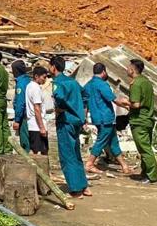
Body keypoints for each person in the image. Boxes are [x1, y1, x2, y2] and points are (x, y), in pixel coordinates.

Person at [50, 55, 91, 197]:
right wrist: (82, 109)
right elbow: (86, 94)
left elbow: (59, 97)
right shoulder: (72, 82)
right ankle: (84, 185)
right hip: (76, 120)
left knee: (67, 155)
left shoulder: (58, 82)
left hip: (65, 120)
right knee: (76, 153)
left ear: (53, 67)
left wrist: (61, 108)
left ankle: (75, 189)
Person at [84, 63, 134, 175]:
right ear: (103, 72)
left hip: (97, 118)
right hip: (105, 118)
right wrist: (129, 105)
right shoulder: (102, 85)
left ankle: (124, 166)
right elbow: (115, 99)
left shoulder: (88, 85)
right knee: (101, 141)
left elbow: (85, 104)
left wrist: (84, 119)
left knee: (114, 142)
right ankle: (89, 164)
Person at [117, 59, 157, 184]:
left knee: (144, 149)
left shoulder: (136, 84)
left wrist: (125, 101)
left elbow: (136, 104)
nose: (126, 69)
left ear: (133, 69)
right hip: (148, 119)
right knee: (146, 147)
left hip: (139, 120)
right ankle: (145, 172)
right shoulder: (146, 82)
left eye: (128, 67)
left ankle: (151, 176)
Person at [25, 66, 50, 155]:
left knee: (36, 151)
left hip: (33, 124)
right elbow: (37, 108)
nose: (45, 79)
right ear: (36, 76)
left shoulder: (29, 86)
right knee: (42, 152)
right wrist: (42, 127)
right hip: (36, 126)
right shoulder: (35, 88)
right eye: (43, 77)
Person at [12, 60, 32, 152]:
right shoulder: (28, 80)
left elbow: (20, 103)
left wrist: (17, 120)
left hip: (24, 117)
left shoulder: (20, 84)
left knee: (24, 143)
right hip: (31, 115)